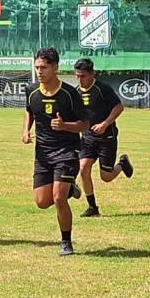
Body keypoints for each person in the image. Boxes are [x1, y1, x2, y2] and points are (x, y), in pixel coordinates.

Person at [22, 48, 89, 255]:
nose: (39, 72)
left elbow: (84, 124)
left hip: (67, 152)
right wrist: (25, 130)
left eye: (44, 67)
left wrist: (65, 126)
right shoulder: (32, 91)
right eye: (37, 68)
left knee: (58, 199)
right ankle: (69, 188)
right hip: (42, 154)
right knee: (42, 202)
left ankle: (66, 242)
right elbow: (29, 112)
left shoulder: (69, 94)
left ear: (56, 67)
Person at [74, 58, 134, 217]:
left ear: (92, 74)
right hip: (87, 139)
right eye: (77, 76)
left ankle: (122, 164)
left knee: (106, 177)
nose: (80, 79)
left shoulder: (102, 89)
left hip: (107, 137)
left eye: (83, 76)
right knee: (83, 168)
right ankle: (92, 207)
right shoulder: (76, 92)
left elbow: (119, 107)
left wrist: (105, 124)